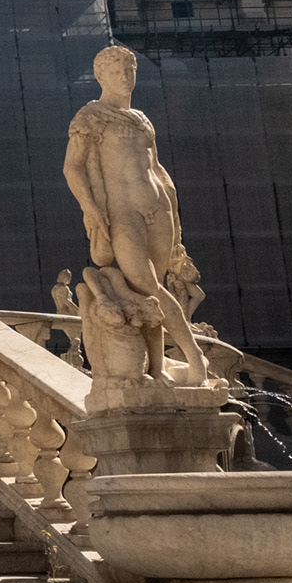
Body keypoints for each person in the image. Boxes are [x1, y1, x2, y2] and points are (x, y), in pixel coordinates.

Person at [62, 44, 209, 381]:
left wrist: (177, 221)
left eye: (129, 71)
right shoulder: (91, 116)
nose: (124, 78)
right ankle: (194, 353)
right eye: (115, 72)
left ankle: (156, 368)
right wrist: (89, 206)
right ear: (100, 76)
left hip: (158, 209)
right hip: (121, 212)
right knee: (145, 283)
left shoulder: (142, 119)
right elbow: (72, 169)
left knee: (149, 290)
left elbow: (158, 170)